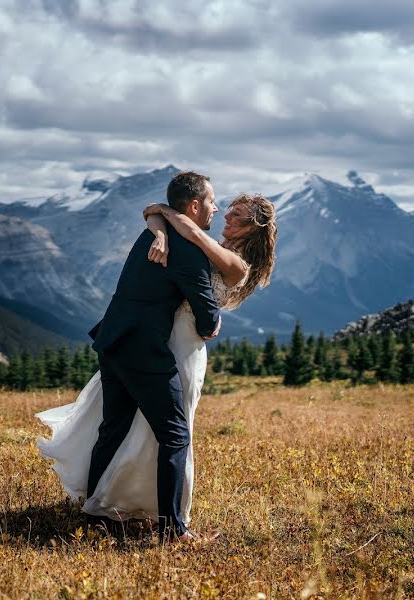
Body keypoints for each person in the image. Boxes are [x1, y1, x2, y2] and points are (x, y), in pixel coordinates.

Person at [36, 171, 277, 542]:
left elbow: (184, 230)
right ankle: (170, 528)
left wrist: (164, 226)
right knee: (172, 434)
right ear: (195, 206)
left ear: (253, 228)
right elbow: (203, 310)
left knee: (118, 427)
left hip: (128, 337)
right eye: (221, 207)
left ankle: (99, 507)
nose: (224, 214)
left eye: (235, 215)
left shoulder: (224, 257)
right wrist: (164, 226)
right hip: (157, 345)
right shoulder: (184, 244)